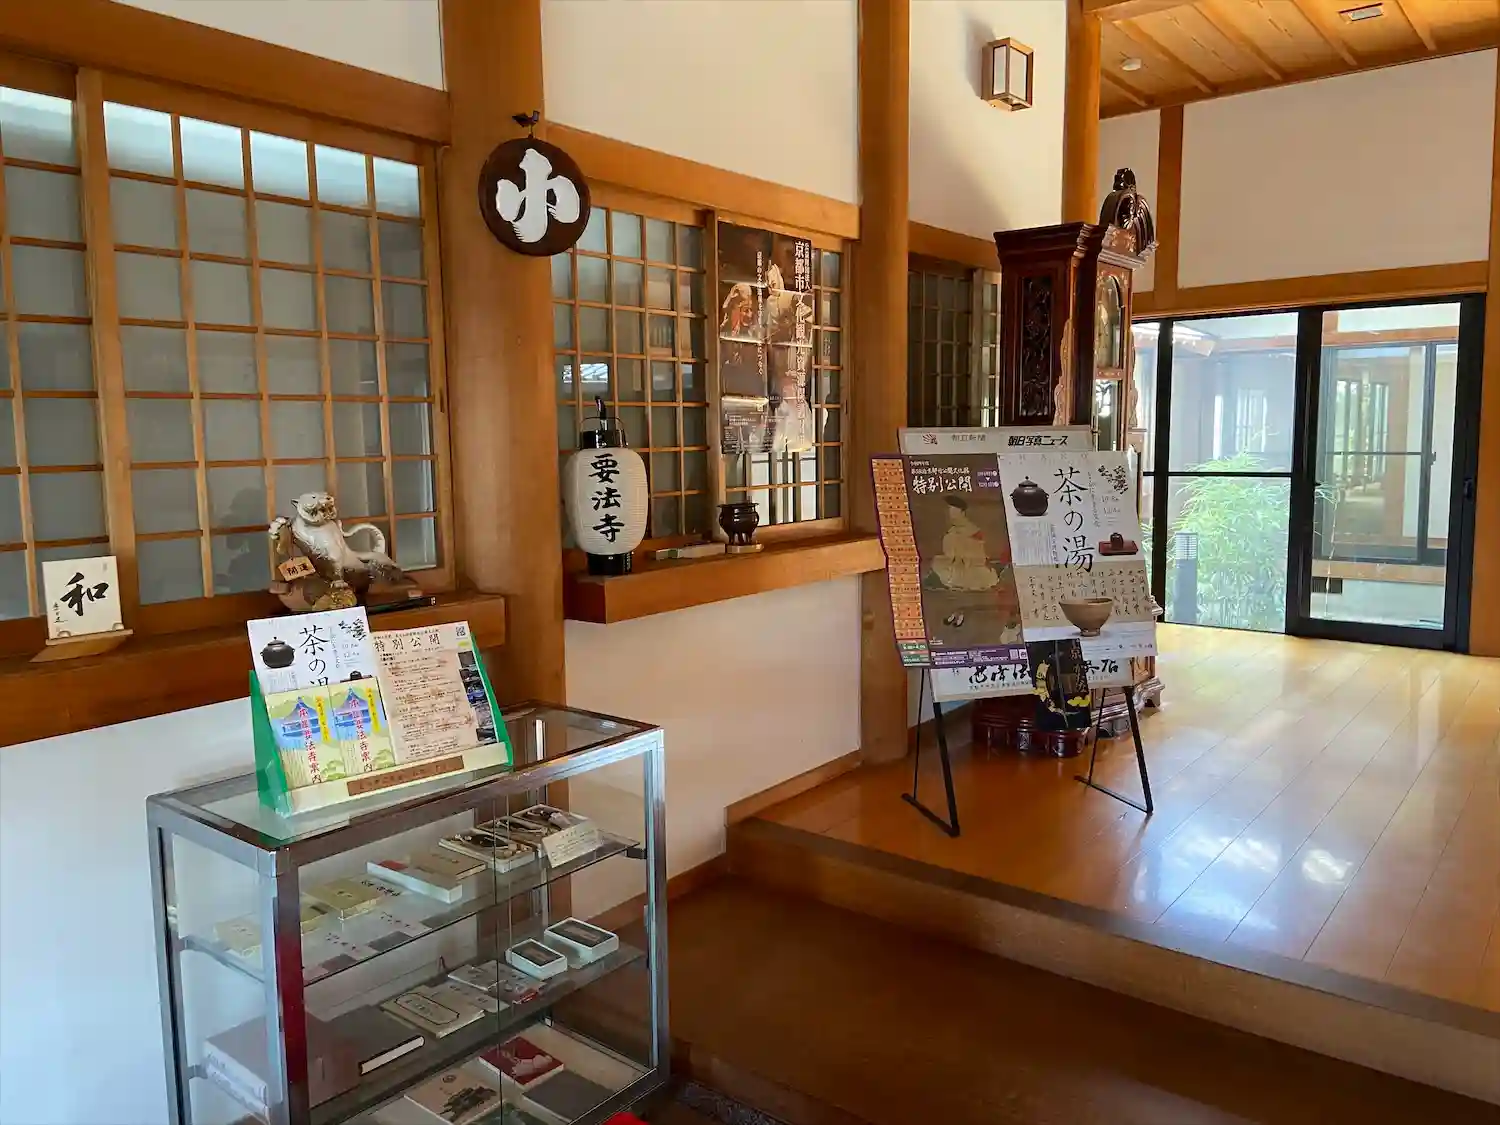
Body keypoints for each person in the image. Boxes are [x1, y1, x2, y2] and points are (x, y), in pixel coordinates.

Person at [928, 495, 1000, 591]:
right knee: (937, 561)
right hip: (955, 565)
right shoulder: (952, 531)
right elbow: (949, 554)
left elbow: (979, 555)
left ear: (962, 512)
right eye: (950, 512)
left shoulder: (973, 530)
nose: (951, 515)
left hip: (970, 567)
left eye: (954, 512)